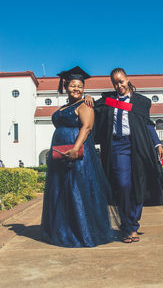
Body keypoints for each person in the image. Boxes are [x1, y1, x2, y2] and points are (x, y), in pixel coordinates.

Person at [85, 67, 163, 243]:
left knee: (138, 185)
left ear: (127, 79)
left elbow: (147, 124)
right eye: (115, 83)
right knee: (123, 185)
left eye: (121, 81)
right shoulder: (108, 100)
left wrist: (157, 143)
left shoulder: (140, 102)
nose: (119, 85)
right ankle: (127, 224)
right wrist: (88, 97)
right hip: (117, 146)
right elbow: (94, 107)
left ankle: (131, 226)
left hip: (138, 145)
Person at [41, 66, 120, 248]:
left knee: (77, 189)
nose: (76, 89)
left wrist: (76, 148)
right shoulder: (64, 107)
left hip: (78, 153)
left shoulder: (85, 104)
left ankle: (82, 231)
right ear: (65, 86)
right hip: (60, 153)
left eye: (80, 86)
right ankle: (64, 228)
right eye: (73, 85)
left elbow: (86, 128)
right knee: (62, 191)